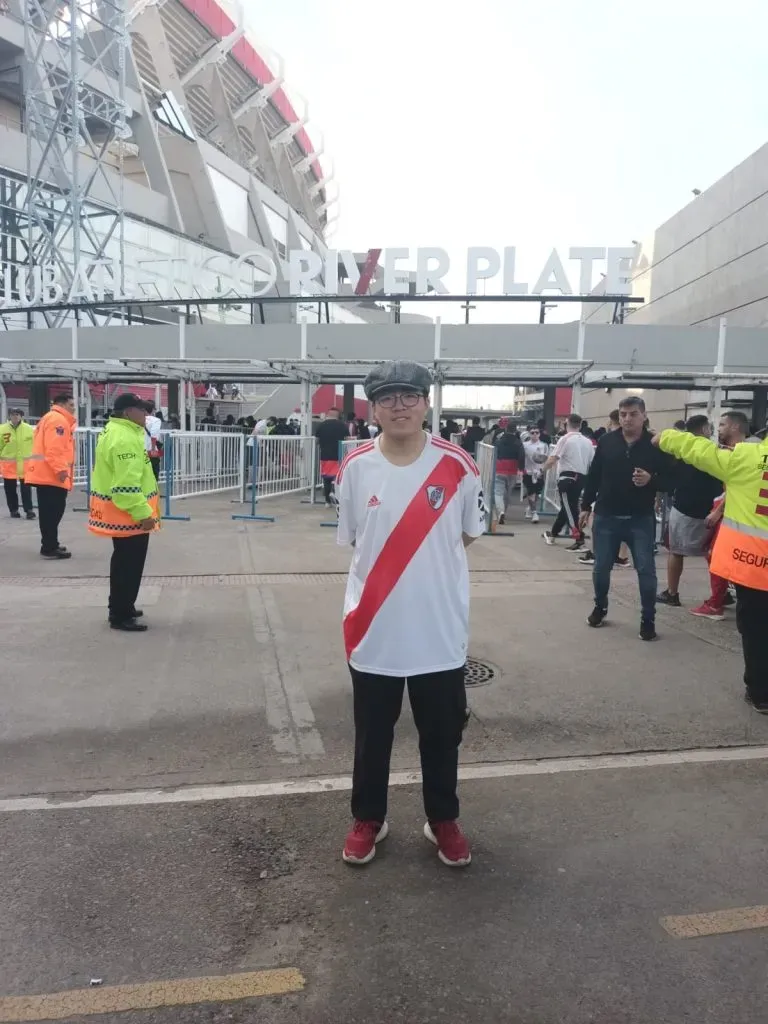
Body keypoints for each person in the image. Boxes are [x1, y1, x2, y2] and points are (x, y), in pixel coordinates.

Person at [336, 359, 484, 869]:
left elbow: (465, 535)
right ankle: (368, 819)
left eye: (409, 396)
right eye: (387, 398)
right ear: (373, 409)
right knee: (371, 736)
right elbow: (356, 538)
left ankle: (442, 819)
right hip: (374, 628)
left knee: (442, 735)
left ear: (426, 402)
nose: (399, 406)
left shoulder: (458, 465)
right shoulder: (355, 467)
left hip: (439, 630)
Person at [653, 419, 768, 711]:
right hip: (753, 568)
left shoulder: (745, 456)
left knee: (755, 630)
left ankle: (760, 693)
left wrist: (666, 436)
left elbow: (700, 450)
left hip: (753, 567)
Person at [579, 395, 675, 640]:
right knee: (601, 568)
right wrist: (585, 505)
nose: (627, 419)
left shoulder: (655, 445)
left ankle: (648, 619)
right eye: (623, 414)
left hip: (640, 518)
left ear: (643, 415)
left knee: (646, 570)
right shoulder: (607, 441)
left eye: (633, 414)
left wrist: (651, 480)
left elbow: (672, 480)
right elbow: (594, 474)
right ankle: (600, 607)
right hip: (606, 516)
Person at [89, 393, 159, 632]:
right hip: (129, 517)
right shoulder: (124, 439)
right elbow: (125, 487)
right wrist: (144, 514)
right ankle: (120, 614)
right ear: (128, 412)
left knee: (122, 563)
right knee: (128, 566)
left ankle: (122, 606)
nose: (146, 414)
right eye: (142, 410)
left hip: (123, 516)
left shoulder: (117, 431)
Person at [689, 410, 749, 620]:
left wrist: (718, 511)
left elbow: (741, 489)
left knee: (717, 556)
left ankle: (716, 603)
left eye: (722, 425)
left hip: (736, 517)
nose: (718, 429)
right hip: (735, 515)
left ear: (734, 427)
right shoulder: (735, 451)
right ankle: (723, 596)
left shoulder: (744, 454)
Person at [657, 415, 722, 607]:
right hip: (712, 510)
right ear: (704, 430)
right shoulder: (716, 451)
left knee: (676, 552)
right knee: (714, 556)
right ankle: (720, 593)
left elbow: (670, 477)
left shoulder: (681, 450)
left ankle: (672, 592)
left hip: (685, 508)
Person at [24, 393, 76, 559]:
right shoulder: (58, 420)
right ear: (62, 405)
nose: (74, 408)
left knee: (49, 512)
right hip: (51, 475)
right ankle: (49, 547)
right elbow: (54, 449)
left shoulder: (49, 417)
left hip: (45, 474)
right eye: (71, 405)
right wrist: (61, 471)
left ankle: (50, 543)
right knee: (53, 512)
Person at [578, 409, 631, 567]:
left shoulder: (607, 440)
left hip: (608, 492)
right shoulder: (637, 439)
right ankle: (621, 556)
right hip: (627, 494)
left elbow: (596, 472)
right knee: (625, 525)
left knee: (598, 523)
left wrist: (586, 503)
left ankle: (598, 553)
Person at [541, 413, 595, 549]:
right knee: (568, 507)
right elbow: (592, 463)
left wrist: (542, 470)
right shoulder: (588, 442)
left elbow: (553, 458)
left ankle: (578, 537)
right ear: (581, 424)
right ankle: (553, 533)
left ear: (567, 424)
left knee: (569, 508)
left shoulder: (565, 439)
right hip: (582, 477)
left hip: (567, 477)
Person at [0, 408, 35, 520]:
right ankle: (13, 510)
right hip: (9, 466)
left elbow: (35, 446)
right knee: (10, 489)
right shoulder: (2, 429)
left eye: (17, 414)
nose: (15, 416)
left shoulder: (29, 429)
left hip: (25, 466)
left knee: (26, 489)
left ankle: (29, 510)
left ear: (21, 416)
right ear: (9, 416)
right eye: (13, 414)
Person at [315, 408, 348, 508]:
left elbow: (317, 441)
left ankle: (327, 502)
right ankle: (336, 497)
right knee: (338, 478)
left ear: (328, 414)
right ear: (338, 415)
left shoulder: (321, 425)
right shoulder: (343, 426)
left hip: (325, 456)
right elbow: (347, 441)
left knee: (326, 478)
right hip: (339, 456)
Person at [493, 420, 524, 526]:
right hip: (512, 470)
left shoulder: (499, 440)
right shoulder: (518, 442)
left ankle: (500, 511)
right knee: (507, 493)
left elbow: (494, 452)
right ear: (515, 431)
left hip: (499, 468)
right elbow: (522, 456)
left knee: (498, 492)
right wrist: (521, 468)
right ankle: (504, 512)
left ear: (506, 429)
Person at [522, 426, 549, 524]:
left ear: (539, 434)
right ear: (529, 434)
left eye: (536, 432)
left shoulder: (544, 445)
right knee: (531, 492)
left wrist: (543, 469)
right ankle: (534, 512)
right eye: (532, 432)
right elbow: (521, 457)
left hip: (539, 472)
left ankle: (530, 508)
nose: (534, 434)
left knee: (537, 493)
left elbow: (546, 458)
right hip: (528, 472)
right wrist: (521, 469)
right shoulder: (524, 445)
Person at [144, 402, 163, 481]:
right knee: (154, 475)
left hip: (138, 450)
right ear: (152, 410)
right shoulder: (156, 420)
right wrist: (153, 448)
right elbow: (154, 434)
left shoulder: (136, 419)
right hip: (151, 450)